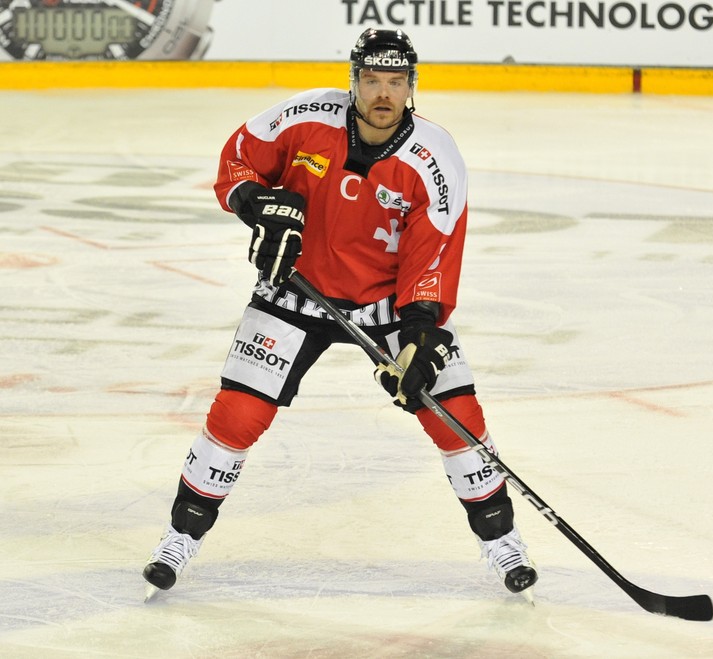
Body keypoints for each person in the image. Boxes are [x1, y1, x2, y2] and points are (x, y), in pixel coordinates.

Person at [142, 28, 538, 601]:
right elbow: (239, 160)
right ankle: (179, 537)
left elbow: (434, 255)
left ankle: (502, 541)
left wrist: (421, 332)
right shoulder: (304, 117)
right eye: (372, 80)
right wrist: (257, 204)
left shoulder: (435, 159)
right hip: (295, 292)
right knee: (237, 416)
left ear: (412, 86)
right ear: (353, 82)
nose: (383, 93)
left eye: (395, 82)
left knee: (456, 415)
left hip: (390, 303)